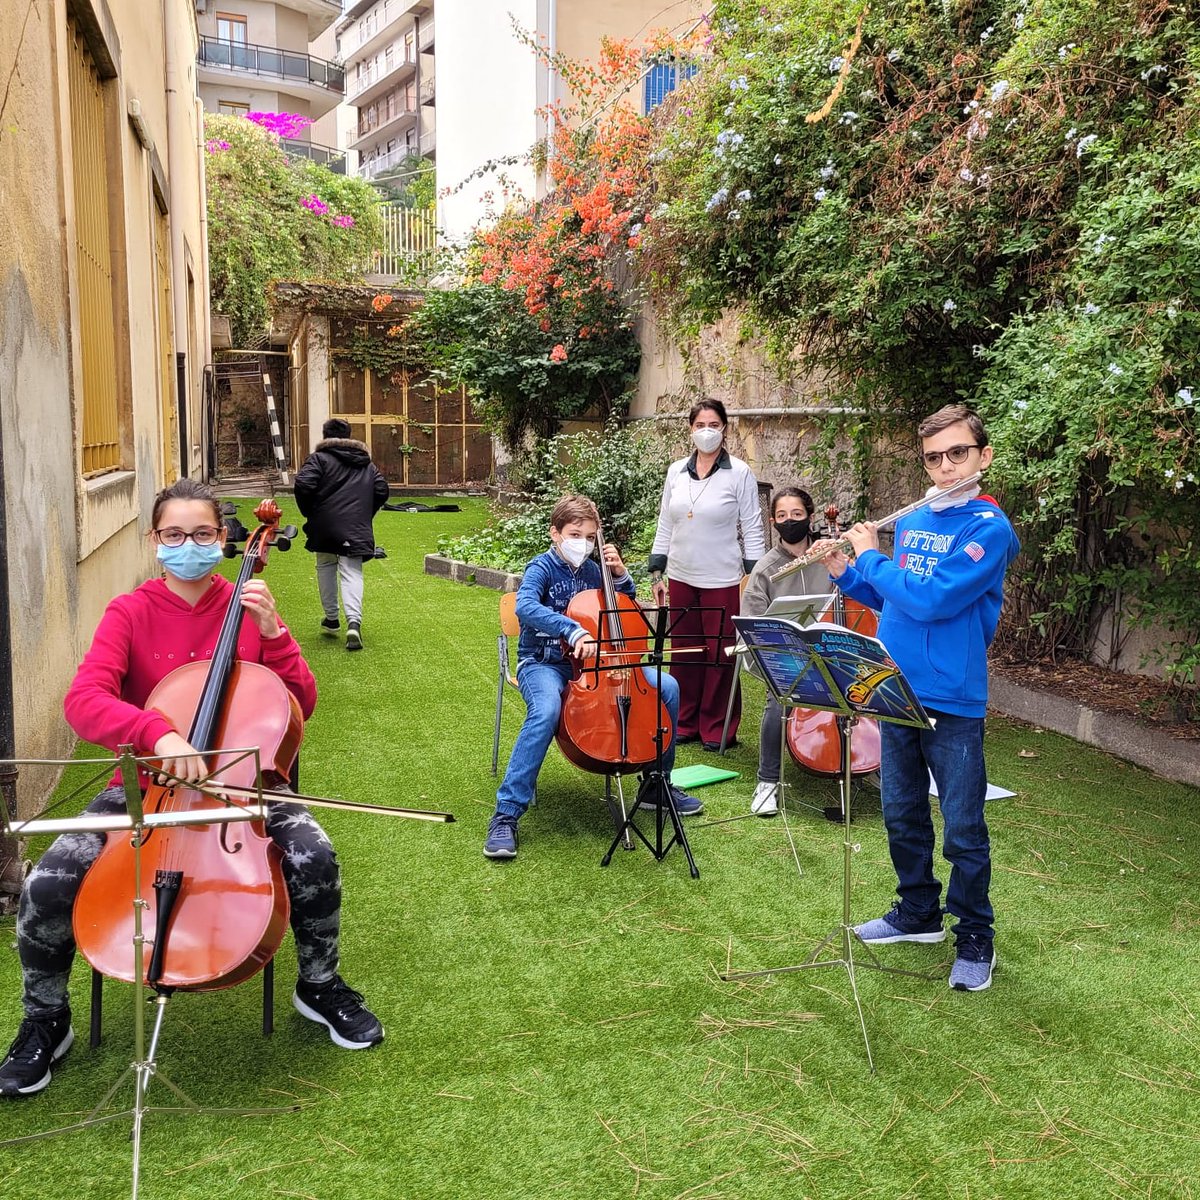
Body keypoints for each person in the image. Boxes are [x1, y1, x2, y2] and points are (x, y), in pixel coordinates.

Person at [0, 479, 383, 1100]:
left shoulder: (248, 606)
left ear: (224, 539)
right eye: (174, 534)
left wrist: (277, 634)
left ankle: (319, 985)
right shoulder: (131, 611)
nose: (188, 545)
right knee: (48, 884)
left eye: (202, 534)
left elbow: (301, 703)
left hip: (245, 786)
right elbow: (84, 700)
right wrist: (160, 735)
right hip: (150, 785)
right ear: (156, 541)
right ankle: (45, 1020)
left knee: (315, 856)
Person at [811, 404, 1019, 992]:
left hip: (952, 698)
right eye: (934, 458)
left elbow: (933, 601)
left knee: (961, 824)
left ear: (984, 457)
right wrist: (847, 574)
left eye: (958, 454)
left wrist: (871, 555)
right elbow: (897, 601)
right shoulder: (918, 518)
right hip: (893, 685)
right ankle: (918, 912)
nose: (946, 467)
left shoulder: (989, 529)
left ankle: (975, 932)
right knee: (900, 811)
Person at [484, 495, 702, 861]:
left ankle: (654, 785)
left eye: (590, 536)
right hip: (545, 662)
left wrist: (619, 575)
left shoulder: (593, 568)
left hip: (603, 665)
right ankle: (507, 813)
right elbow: (525, 606)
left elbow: (623, 608)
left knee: (668, 687)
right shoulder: (542, 567)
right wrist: (570, 630)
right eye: (575, 534)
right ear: (555, 534)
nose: (583, 543)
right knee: (546, 711)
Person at [648, 399, 765, 751]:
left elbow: (753, 526)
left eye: (714, 424)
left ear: (724, 428)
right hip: (682, 574)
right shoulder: (676, 472)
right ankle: (683, 721)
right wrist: (657, 570)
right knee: (684, 651)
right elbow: (665, 522)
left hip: (723, 578)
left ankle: (718, 728)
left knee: (720, 654)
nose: (707, 431)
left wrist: (753, 574)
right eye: (700, 424)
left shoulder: (740, 473)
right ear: (690, 429)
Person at [739, 487, 833, 816]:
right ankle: (768, 781)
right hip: (785, 653)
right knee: (779, 697)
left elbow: (849, 599)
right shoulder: (766, 568)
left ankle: (867, 766)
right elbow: (751, 622)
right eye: (782, 516)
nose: (789, 521)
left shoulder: (828, 555)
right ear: (772, 521)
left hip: (828, 647)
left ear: (809, 515)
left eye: (796, 514)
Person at [294, 418, 390, 651]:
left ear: (325, 435)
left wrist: (311, 512)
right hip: (356, 526)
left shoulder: (318, 459)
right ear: (348, 436)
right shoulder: (366, 464)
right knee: (352, 570)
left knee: (325, 566)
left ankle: (332, 619)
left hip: (324, 525)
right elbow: (382, 490)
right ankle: (354, 623)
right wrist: (364, 514)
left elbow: (303, 485)